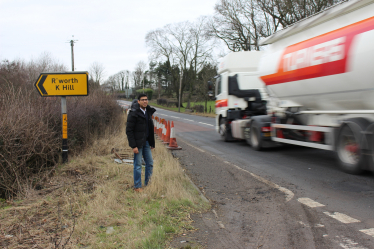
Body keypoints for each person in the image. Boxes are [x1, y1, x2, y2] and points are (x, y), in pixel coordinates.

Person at [126, 94, 156, 192]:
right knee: (138, 165)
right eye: (142, 100)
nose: (145, 101)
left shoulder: (148, 112)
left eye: (146, 100)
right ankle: (137, 186)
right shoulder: (133, 113)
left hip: (146, 142)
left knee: (150, 163)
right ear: (138, 101)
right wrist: (133, 146)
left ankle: (148, 183)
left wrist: (152, 143)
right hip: (138, 144)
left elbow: (150, 129)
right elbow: (129, 131)